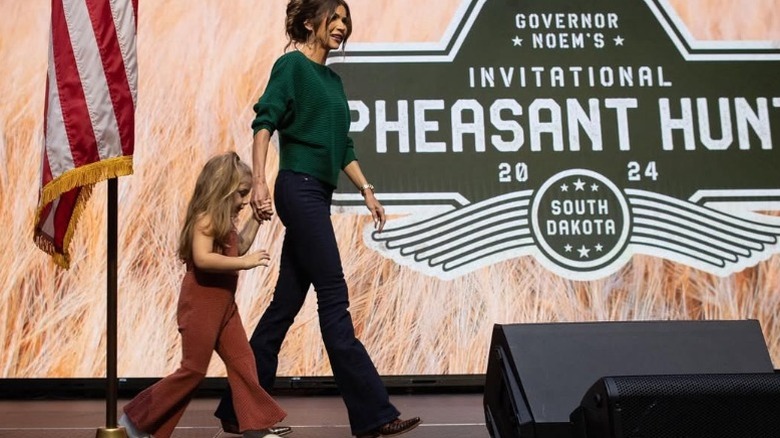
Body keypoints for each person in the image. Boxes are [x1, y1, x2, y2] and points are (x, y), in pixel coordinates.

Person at [214, 1, 421, 437]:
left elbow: (342, 145)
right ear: (310, 22)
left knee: (283, 308)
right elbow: (264, 124)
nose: (342, 26)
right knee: (334, 296)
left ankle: (236, 409)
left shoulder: (333, 81)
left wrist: (367, 190)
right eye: (335, 18)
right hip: (297, 187)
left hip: (317, 194)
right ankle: (374, 415)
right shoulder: (292, 66)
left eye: (346, 20)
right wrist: (259, 182)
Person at [118, 152, 291, 438]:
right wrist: (243, 263)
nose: (245, 200)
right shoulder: (205, 219)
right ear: (222, 189)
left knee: (243, 362)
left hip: (225, 305)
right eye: (241, 193)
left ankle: (255, 426)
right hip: (201, 303)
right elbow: (203, 259)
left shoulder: (225, 222)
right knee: (193, 370)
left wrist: (256, 219)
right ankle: (136, 421)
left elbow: (239, 247)